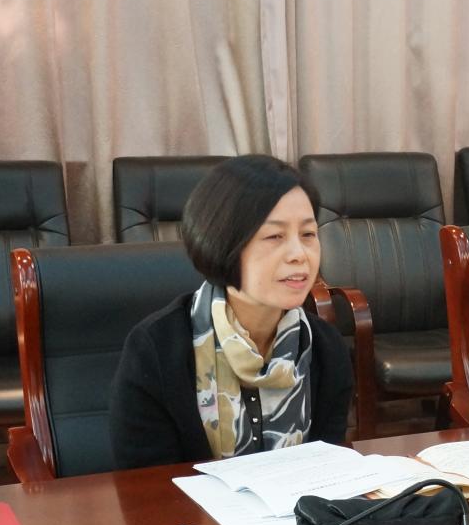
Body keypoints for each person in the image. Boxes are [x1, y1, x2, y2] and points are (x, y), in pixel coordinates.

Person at [109, 155, 353, 469]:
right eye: (274, 236)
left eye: (308, 234)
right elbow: (144, 485)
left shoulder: (326, 348)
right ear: (224, 243)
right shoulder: (156, 349)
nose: (299, 254)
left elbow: (329, 469)